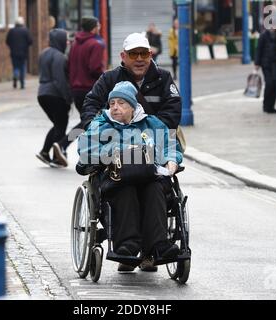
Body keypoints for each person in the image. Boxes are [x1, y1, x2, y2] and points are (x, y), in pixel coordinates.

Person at [79, 32, 182, 272]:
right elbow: (87, 142)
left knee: (155, 187)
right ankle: (127, 246)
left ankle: (158, 246)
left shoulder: (160, 90)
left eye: (143, 53)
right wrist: (107, 144)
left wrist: (170, 161)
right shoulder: (108, 91)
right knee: (124, 188)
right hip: (117, 173)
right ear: (123, 56)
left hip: (149, 167)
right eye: (133, 54)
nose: (139, 58)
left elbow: (169, 139)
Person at [52, 16, 105, 167]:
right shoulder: (96, 44)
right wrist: (106, 78)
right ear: (94, 27)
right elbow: (95, 68)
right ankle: (63, 145)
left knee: (89, 123)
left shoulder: (75, 43)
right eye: (98, 24)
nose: (100, 26)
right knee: (92, 122)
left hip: (76, 89)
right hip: (91, 89)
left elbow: (67, 66)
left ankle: (87, 155)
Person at [36, 29, 72, 166]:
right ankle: (57, 158)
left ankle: (45, 152)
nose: (67, 42)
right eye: (66, 39)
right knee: (61, 124)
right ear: (60, 40)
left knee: (58, 124)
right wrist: (68, 97)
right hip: (55, 95)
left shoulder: (43, 53)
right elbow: (60, 80)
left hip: (42, 93)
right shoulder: (59, 57)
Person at [255, 28, 276, 113]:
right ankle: (266, 105)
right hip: (266, 64)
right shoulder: (264, 35)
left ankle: (271, 106)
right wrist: (257, 63)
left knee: (275, 85)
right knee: (269, 83)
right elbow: (259, 49)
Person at [6, 17, 33, 89]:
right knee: (22, 67)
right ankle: (22, 83)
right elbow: (30, 41)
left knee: (15, 66)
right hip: (23, 53)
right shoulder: (25, 31)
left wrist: (12, 47)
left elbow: (7, 41)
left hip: (14, 53)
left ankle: (15, 75)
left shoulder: (11, 31)